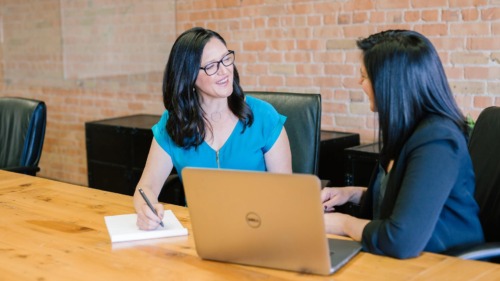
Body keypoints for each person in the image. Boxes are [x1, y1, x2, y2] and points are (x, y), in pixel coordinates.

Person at [321, 30, 484, 258]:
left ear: (390, 84)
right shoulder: (407, 130)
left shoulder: (438, 141)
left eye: (364, 76)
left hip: (445, 263)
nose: (359, 82)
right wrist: (351, 193)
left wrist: (343, 224)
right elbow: (405, 196)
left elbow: (400, 240)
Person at [134, 27, 292, 230]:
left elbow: (286, 192)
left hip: (258, 229)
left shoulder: (263, 117)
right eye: (211, 66)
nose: (225, 70)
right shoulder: (173, 124)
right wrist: (146, 211)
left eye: (226, 59)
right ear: (189, 76)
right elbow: (146, 187)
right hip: (198, 233)